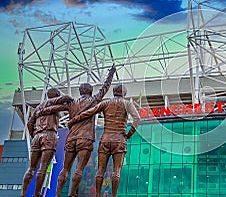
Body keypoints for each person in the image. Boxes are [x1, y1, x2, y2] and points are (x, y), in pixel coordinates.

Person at [37, 64, 116, 197]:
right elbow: (105, 88)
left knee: (65, 169)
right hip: (85, 139)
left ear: (80, 91)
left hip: (71, 138)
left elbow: (54, 108)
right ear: (90, 91)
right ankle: (72, 194)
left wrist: (40, 111)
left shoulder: (72, 103)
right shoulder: (93, 100)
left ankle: (57, 194)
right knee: (79, 168)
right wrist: (111, 73)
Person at [69, 84, 140, 197]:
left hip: (105, 139)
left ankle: (97, 194)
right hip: (119, 139)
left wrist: (75, 119)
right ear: (124, 93)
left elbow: (89, 112)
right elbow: (137, 118)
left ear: (113, 92)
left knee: (100, 170)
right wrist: (129, 134)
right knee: (116, 171)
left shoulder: (106, 103)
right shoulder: (127, 104)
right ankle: (113, 195)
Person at [21, 88, 73, 197]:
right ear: (56, 96)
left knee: (31, 168)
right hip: (49, 135)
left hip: (37, 136)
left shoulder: (38, 108)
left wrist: (34, 135)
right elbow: (66, 99)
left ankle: (23, 194)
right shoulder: (51, 102)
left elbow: (30, 124)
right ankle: (37, 193)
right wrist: (72, 101)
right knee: (43, 166)